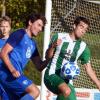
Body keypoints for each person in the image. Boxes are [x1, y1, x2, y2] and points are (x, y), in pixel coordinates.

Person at [44, 16, 100, 100]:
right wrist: (52, 46)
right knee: (66, 91)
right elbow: (47, 56)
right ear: (74, 25)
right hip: (51, 75)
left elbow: (88, 68)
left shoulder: (83, 47)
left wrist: (98, 84)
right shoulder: (58, 36)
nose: (83, 31)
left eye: (85, 29)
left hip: (67, 81)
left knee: (70, 96)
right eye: (81, 27)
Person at [0, 13, 49, 100]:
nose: (40, 29)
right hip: (7, 73)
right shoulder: (20, 33)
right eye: (39, 25)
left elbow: (39, 66)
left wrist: (50, 56)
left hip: (14, 76)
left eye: (42, 27)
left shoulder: (33, 44)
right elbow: (3, 53)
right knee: (35, 91)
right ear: (30, 22)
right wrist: (12, 69)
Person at [0, 16, 11, 100]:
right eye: (2, 26)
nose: (4, 29)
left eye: (6, 26)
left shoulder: (13, 42)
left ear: (10, 28)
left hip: (9, 76)